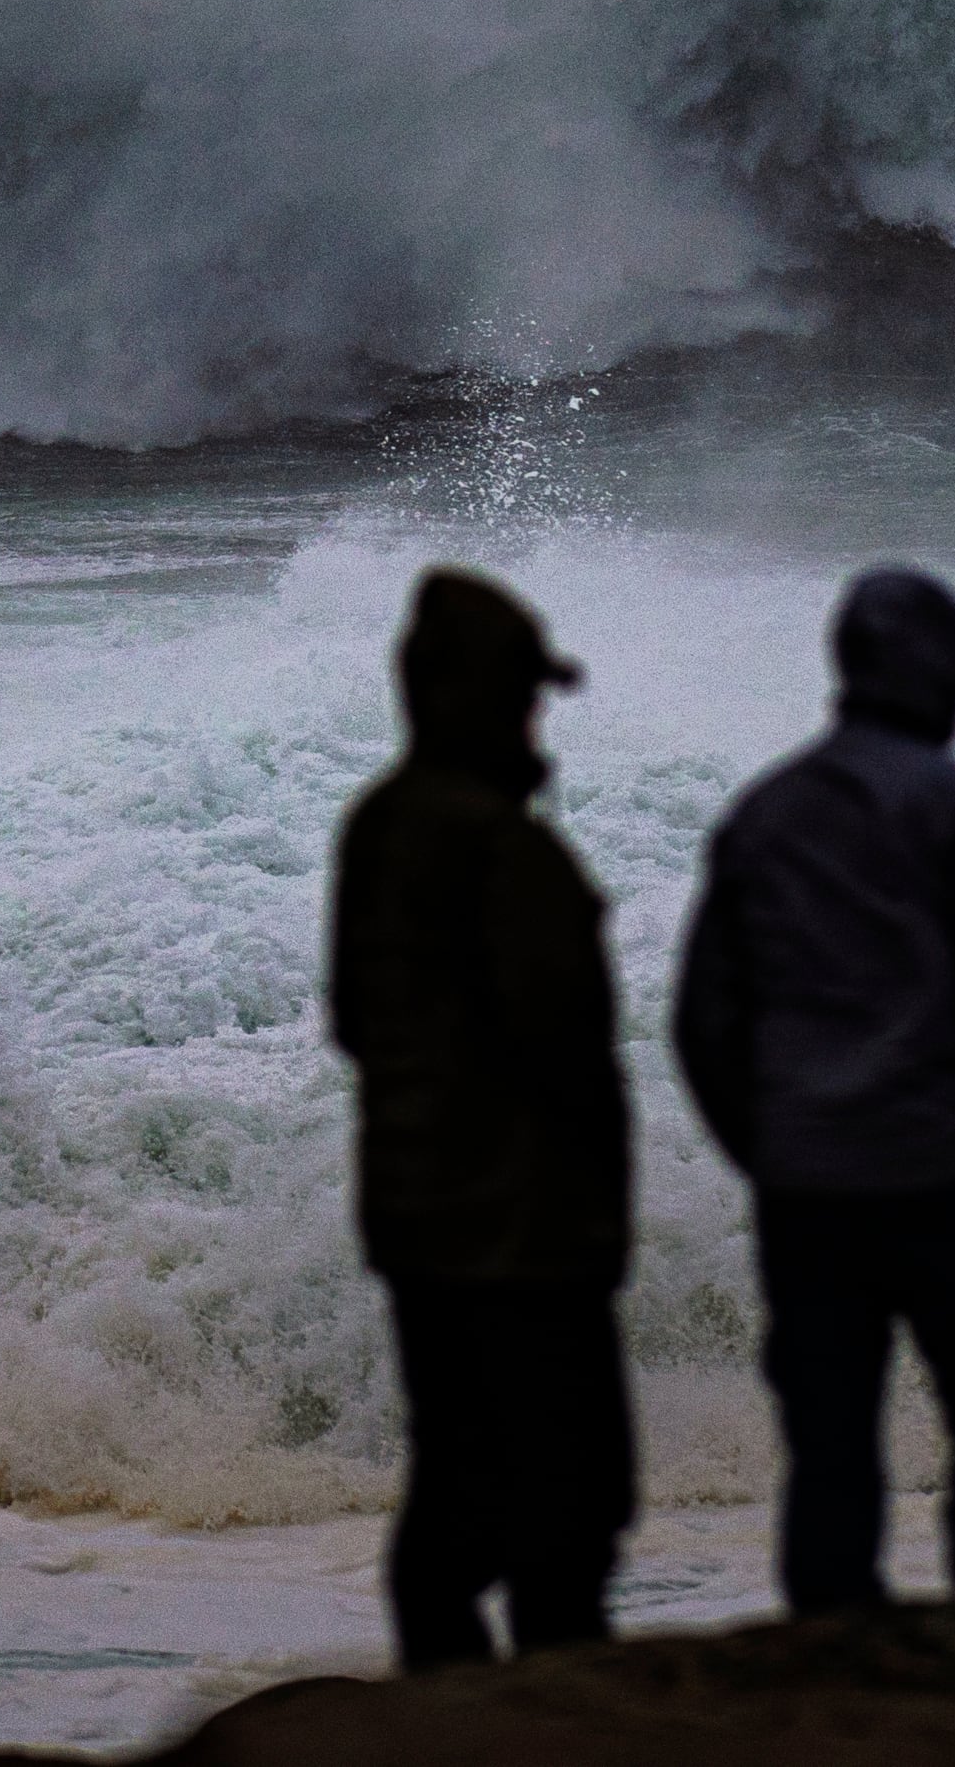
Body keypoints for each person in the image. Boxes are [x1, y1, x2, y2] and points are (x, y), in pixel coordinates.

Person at [672, 563, 955, 1614]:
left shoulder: (762, 815)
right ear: (931, 673)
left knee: (830, 1449)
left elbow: (706, 1022)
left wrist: (770, 1150)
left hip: (809, 1187)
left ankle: (834, 1683)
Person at [323, 566, 635, 1670]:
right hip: (530, 1228)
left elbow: (355, 1021)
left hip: (416, 1215)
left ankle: (443, 1710)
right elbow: (567, 1046)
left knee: (454, 1485)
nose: (532, 713)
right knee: (567, 1505)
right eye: (519, 691)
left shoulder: (378, 824)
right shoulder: (501, 845)